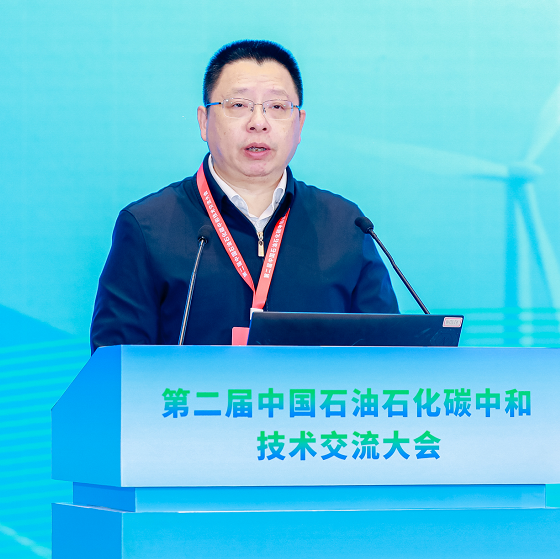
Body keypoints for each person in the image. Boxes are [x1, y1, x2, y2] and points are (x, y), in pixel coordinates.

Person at [90, 40, 398, 352]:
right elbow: (114, 366)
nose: (258, 123)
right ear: (204, 121)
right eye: (238, 105)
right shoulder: (148, 227)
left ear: (299, 124)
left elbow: (390, 356)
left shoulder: (345, 226)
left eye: (277, 107)